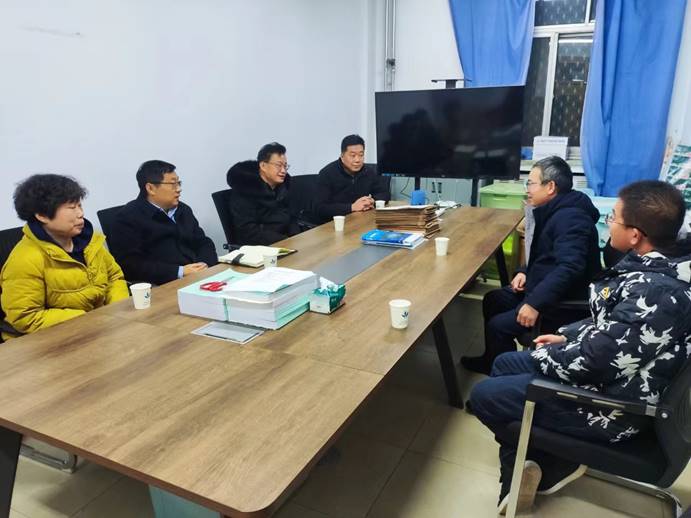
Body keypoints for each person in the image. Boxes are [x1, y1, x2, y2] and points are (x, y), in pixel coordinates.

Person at [469, 180, 691, 514]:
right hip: (613, 377)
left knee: (485, 396)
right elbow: (612, 325)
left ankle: (532, 472)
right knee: (504, 364)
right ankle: (541, 461)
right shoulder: (655, 266)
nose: (609, 224)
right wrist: (567, 336)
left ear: (635, 235)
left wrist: (550, 353)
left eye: (614, 218)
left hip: (613, 406)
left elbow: (595, 362)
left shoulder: (658, 292)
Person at [462, 156, 601, 375]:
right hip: (543, 287)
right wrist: (523, 271)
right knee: (493, 299)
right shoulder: (554, 209)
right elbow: (543, 255)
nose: (527, 189)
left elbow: (570, 267)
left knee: (498, 326)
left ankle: (505, 377)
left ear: (550, 187)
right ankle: (491, 361)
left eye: (531, 183)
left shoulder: (571, 218)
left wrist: (534, 303)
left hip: (559, 303)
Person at [0, 174, 129, 340]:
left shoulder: (90, 241)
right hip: (51, 341)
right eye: (71, 208)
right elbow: (25, 317)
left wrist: (117, 309)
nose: (80, 213)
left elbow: (114, 277)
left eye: (80, 206)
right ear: (42, 215)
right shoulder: (25, 259)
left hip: (100, 327)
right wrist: (86, 319)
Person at [109, 160, 217, 285]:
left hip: (199, 276)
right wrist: (180, 271)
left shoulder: (183, 209)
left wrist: (204, 264)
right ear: (151, 188)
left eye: (179, 183)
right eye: (173, 184)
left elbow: (203, 242)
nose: (179, 189)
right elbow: (131, 265)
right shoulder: (127, 218)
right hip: (164, 284)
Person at [227, 142, 300, 245]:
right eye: (278, 165)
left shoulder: (283, 187)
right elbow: (249, 231)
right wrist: (285, 241)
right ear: (263, 165)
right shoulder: (245, 191)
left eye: (285, 166)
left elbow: (292, 217)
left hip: (285, 242)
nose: (283, 171)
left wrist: (296, 237)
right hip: (259, 247)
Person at [315, 134, 390, 223]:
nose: (357, 160)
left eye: (361, 155)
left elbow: (384, 193)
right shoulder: (327, 174)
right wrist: (352, 207)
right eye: (353, 155)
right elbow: (320, 209)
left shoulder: (368, 172)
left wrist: (371, 201)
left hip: (360, 220)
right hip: (334, 224)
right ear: (342, 156)